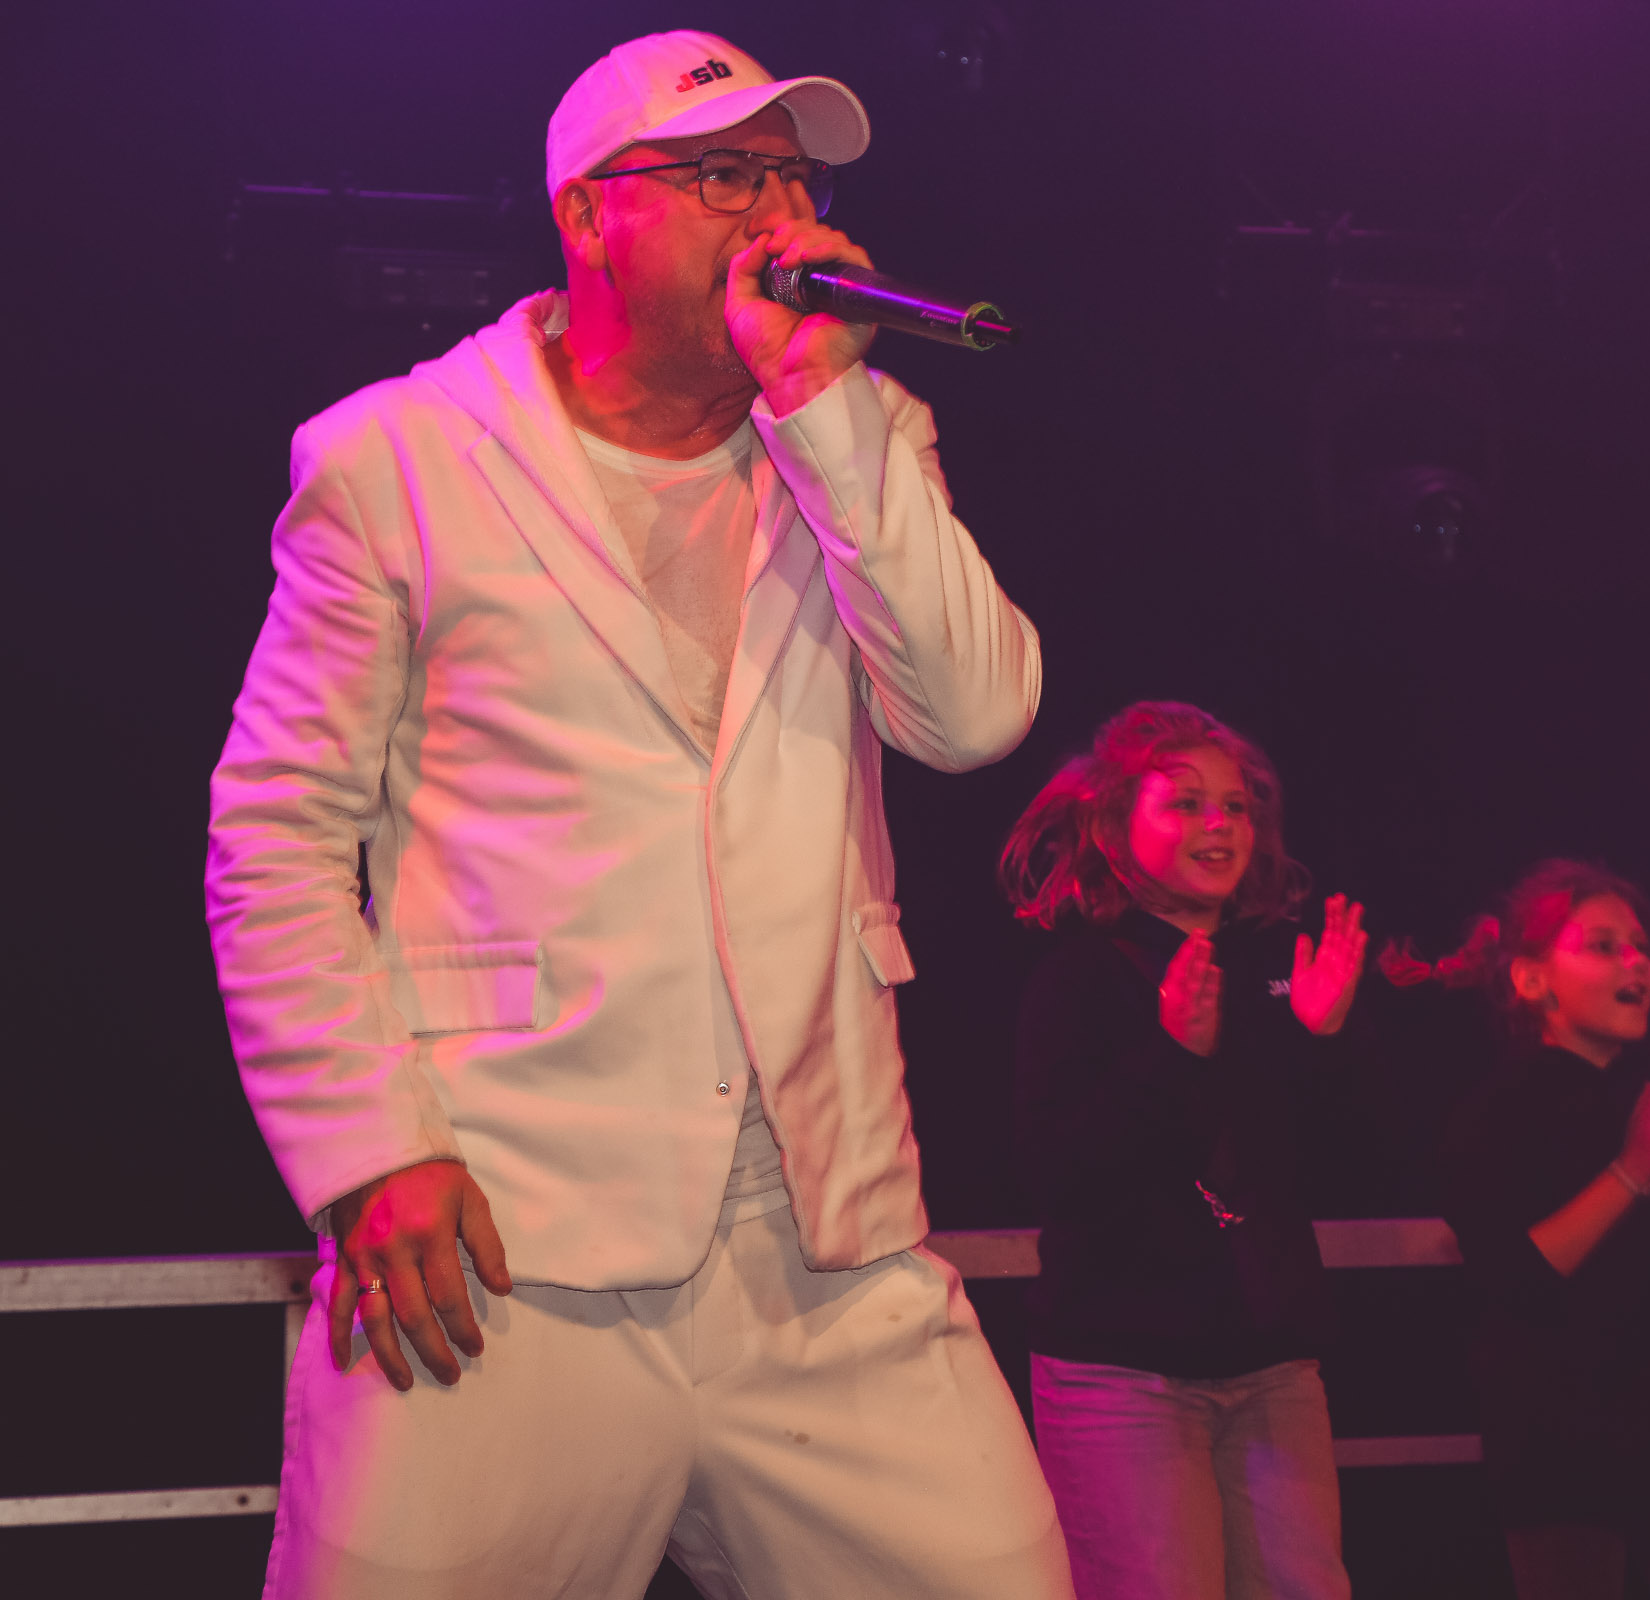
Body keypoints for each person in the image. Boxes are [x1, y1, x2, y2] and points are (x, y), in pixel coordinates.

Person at [205, 31, 1070, 1599]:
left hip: (826, 1240)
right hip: (502, 1239)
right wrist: (366, 1153)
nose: (775, 213)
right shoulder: (396, 459)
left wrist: (825, 409)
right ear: (588, 215)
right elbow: (277, 836)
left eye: (792, 178)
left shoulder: (860, 436)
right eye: (724, 174)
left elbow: (974, 717)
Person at [1002, 701, 1370, 1600]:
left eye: (1235, 806)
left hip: (1272, 1366)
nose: (1220, 824)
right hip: (1124, 1375)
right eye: (1187, 803)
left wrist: (1323, 1039)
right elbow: (1061, 1177)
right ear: (1115, 826)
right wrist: (1171, 1055)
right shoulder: (1080, 976)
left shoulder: (1278, 963)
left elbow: (1334, 1162)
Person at [1424, 859, 1650, 1600]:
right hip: (1565, 1467)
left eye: (1641, 946)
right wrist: (1629, 1171)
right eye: (1602, 946)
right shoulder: (1494, 1116)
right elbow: (1513, 1278)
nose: (1636, 962)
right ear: (1532, 980)